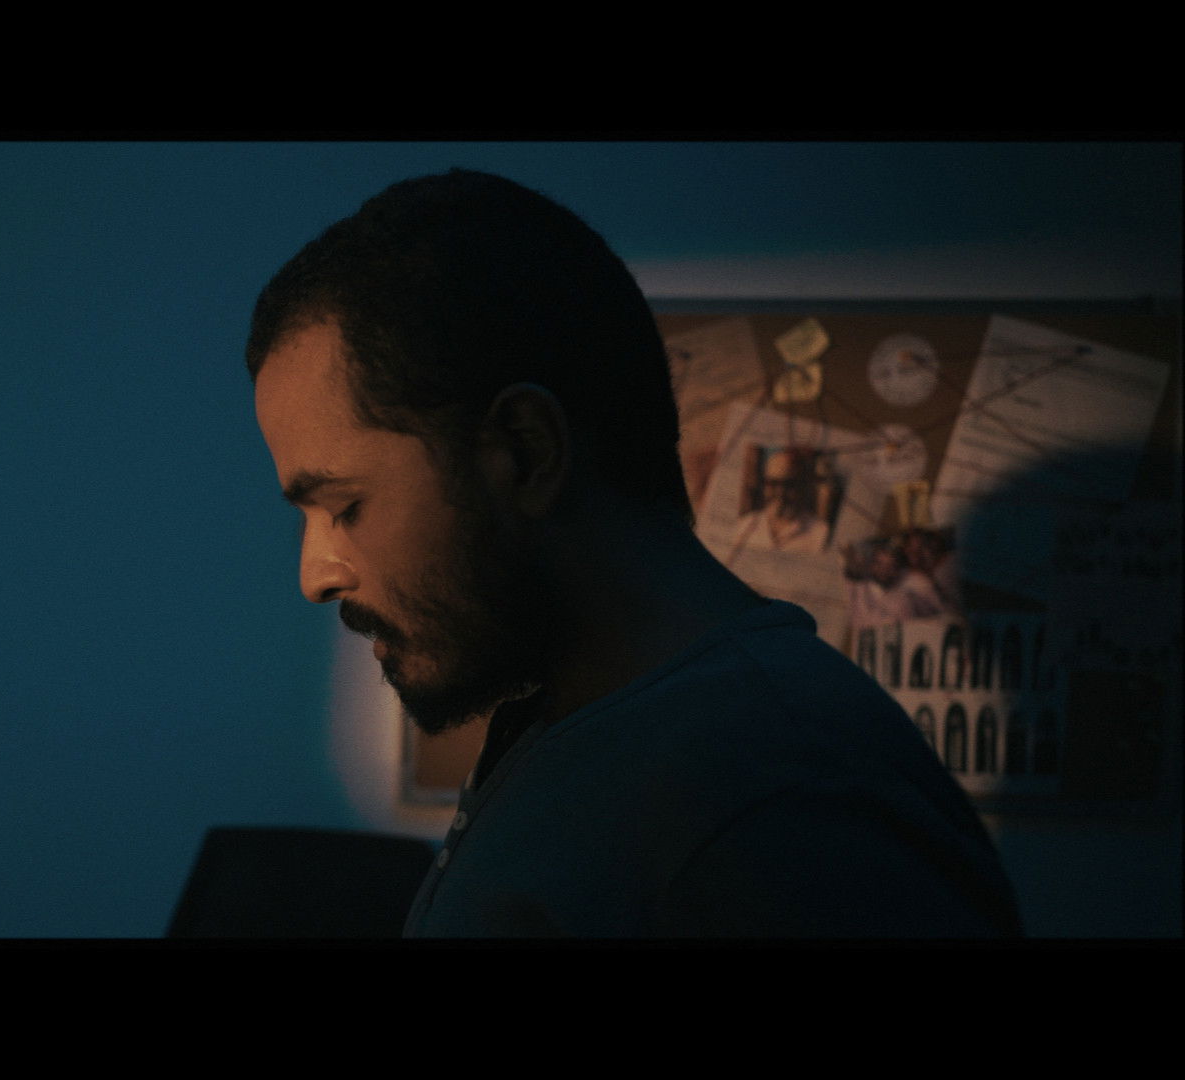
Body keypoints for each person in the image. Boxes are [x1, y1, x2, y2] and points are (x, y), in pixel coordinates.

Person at [245, 169, 1021, 937]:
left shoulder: (783, 806)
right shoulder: (581, 724)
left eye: (345, 506)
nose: (316, 576)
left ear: (524, 451)